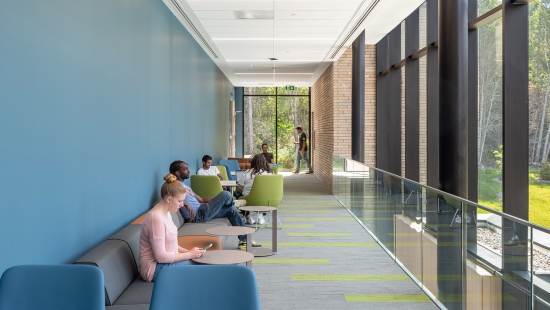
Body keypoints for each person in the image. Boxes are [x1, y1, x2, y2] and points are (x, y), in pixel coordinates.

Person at [169, 160, 260, 249]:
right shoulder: (174, 186)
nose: (188, 171)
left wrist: (217, 201)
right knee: (226, 194)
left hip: (203, 208)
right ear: (177, 172)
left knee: (231, 209)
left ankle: (243, 240)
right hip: (198, 215)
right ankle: (234, 202)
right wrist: (184, 203)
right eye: (185, 169)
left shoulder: (185, 186)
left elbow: (201, 199)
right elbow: (170, 199)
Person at [139, 173, 206, 282]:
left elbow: (172, 245)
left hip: (165, 264)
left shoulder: (167, 212)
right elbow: (161, 257)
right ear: (169, 199)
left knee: (202, 260)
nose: (182, 205)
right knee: (202, 266)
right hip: (154, 269)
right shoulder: (155, 218)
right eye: (180, 201)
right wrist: (189, 254)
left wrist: (190, 252)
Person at [237, 154, 274, 225]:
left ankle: (248, 218)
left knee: (239, 196)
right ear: (264, 162)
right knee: (263, 195)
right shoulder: (271, 173)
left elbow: (240, 188)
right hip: (266, 200)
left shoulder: (247, 172)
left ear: (253, 162)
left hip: (249, 200)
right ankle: (261, 217)